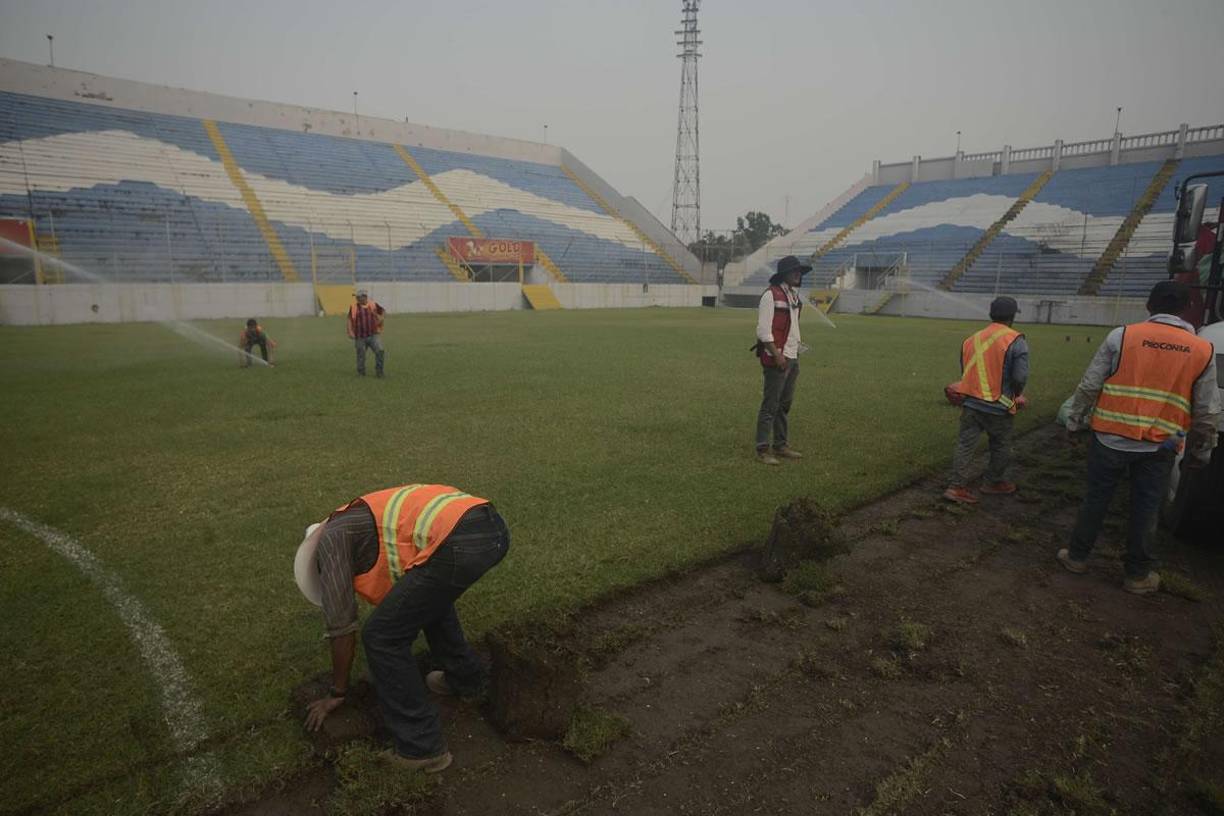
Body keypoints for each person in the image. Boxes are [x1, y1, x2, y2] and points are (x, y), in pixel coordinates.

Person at [295, 484, 510, 772]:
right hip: (492, 528)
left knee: (381, 637)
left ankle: (422, 747)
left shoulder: (331, 542)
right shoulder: (363, 522)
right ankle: (466, 680)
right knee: (429, 603)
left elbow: (341, 626)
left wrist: (337, 691)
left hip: (459, 540)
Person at [1058, 281, 1219, 594]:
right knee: (1147, 508)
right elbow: (1207, 411)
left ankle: (1077, 557)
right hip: (1162, 444)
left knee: (1095, 500)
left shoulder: (1122, 335)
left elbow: (1090, 386)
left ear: (1149, 305)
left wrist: (1075, 423)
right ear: (1187, 308)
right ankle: (1137, 575)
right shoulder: (1202, 348)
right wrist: (1202, 453)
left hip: (1110, 438)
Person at [943, 296, 1029, 503]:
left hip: (971, 403)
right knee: (1000, 445)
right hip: (998, 405)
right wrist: (1015, 394)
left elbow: (966, 372)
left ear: (991, 314)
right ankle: (994, 482)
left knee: (965, 445)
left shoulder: (972, 339)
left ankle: (955, 487)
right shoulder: (1016, 340)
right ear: (1012, 316)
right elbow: (1019, 377)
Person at [753, 255, 810, 465]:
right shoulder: (771, 295)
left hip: (792, 355)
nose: (798, 274)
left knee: (784, 404)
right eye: (794, 271)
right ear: (783, 274)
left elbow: (792, 327)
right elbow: (763, 330)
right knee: (770, 405)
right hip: (778, 357)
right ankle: (762, 449)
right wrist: (777, 355)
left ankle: (780, 445)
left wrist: (795, 350)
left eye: (800, 271)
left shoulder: (794, 296)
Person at [347, 289, 386, 377]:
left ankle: (379, 372)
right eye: (356, 297)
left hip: (373, 335)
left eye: (359, 297)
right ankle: (361, 373)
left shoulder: (373, 305)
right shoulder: (353, 307)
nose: (357, 298)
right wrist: (350, 331)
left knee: (380, 350)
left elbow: (383, 311)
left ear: (364, 297)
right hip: (360, 336)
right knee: (361, 354)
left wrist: (381, 318)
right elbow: (349, 319)